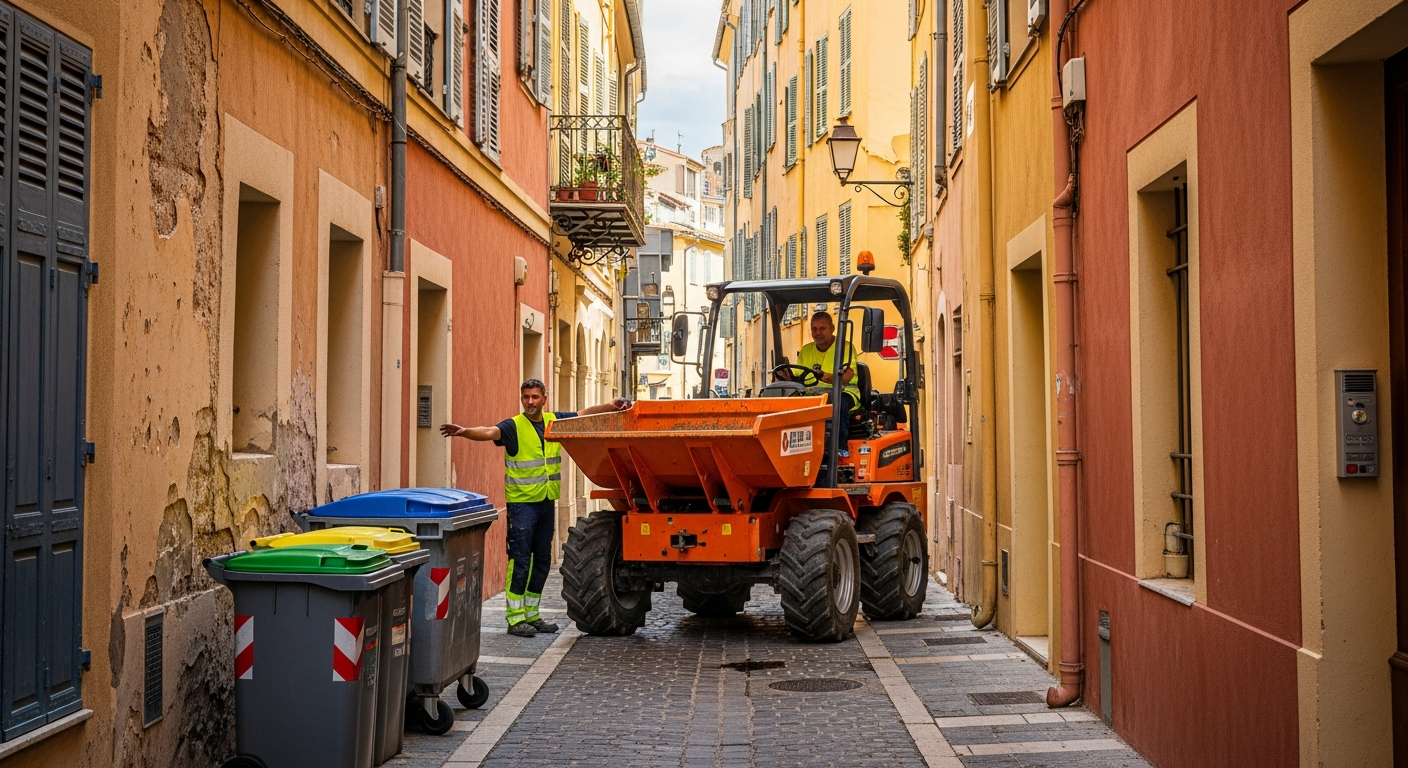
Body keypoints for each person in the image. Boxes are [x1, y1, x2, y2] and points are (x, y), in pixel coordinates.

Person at [440, 380, 629, 637]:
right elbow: (489, 432)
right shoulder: (513, 426)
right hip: (522, 507)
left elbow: (583, 414)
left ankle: (532, 614)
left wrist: (610, 406)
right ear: (522, 399)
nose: (530, 401)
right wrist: (464, 432)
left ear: (544, 399)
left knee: (541, 560)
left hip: (545, 502)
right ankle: (515, 618)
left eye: (535, 397)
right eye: (526, 397)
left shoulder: (553, 421)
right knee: (520, 560)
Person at [779, 311, 862, 455]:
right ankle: (792, 449)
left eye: (822, 328)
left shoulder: (845, 348)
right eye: (814, 329)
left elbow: (847, 376)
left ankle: (839, 448)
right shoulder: (806, 350)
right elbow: (798, 377)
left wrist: (827, 377)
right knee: (789, 404)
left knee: (839, 403)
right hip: (813, 395)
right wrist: (786, 375)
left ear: (832, 328)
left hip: (844, 391)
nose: (818, 333)